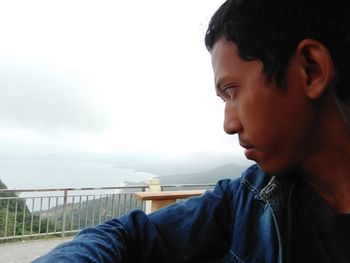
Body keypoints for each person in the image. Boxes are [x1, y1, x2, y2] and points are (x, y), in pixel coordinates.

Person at [34, 0, 350, 262]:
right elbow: (127, 236)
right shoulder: (244, 202)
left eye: (232, 90)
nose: (229, 125)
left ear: (311, 70)